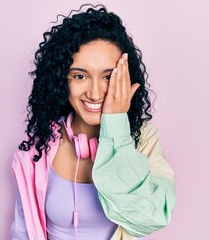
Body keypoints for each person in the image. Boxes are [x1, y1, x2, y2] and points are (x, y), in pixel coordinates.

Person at [10, 4, 176, 240]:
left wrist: (116, 127)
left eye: (108, 77)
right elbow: (22, 232)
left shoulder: (144, 140)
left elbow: (148, 219)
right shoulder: (38, 148)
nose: (96, 93)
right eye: (80, 76)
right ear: (60, 80)